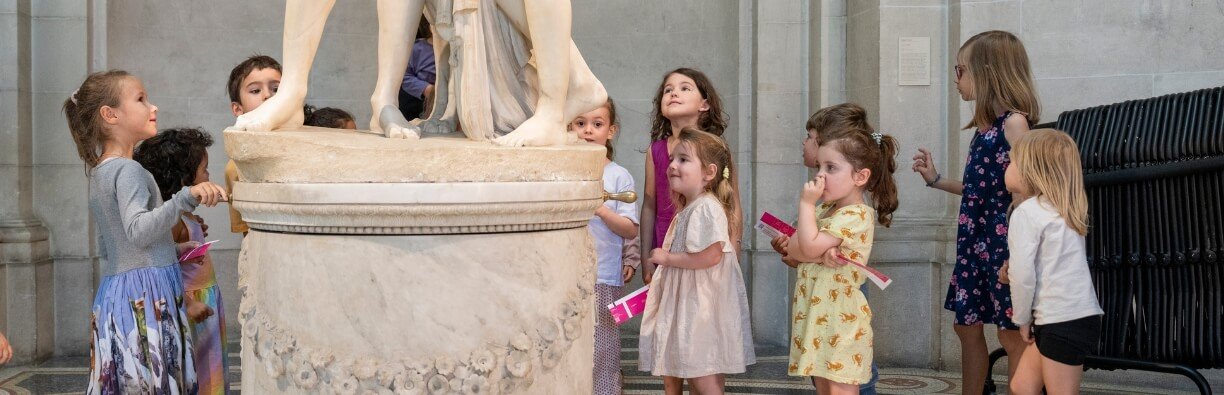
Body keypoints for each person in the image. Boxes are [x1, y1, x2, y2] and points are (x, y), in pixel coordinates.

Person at [64, 70, 226, 393]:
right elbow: (137, 231)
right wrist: (185, 197)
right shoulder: (129, 170)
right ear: (110, 115)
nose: (153, 107)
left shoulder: (100, 172)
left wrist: (173, 250)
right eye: (141, 99)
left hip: (119, 293)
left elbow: (114, 245)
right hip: (146, 297)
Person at [911, 30, 1040, 393]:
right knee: (965, 325)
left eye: (960, 70)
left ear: (987, 71)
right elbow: (979, 189)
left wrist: (1019, 253)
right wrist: (936, 180)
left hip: (1002, 244)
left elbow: (1028, 186)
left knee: (1011, 333)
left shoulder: (1015, 123)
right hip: (975, 242)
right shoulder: (984, 130)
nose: (956, 79)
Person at [639, 127, 754, 395]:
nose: (672, 166)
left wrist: (666, 257)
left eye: (683, 160)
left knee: (704, 376)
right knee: (693, 370)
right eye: (672, 159)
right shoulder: (691, 207)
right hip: (691, 304)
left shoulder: (706, 207)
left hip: (702, 309)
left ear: (709, 173)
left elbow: (711, 255)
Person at [1003, 129, 1103, 395]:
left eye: (1012, 162)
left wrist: (1022, 318)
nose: (1006, 167)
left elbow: (1023, 276)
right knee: (1022, 385)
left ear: (1030, 171)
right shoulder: (1062, 210)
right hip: (1071, 317)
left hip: (1060, 319)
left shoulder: (1026, 213)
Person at [134, 127, 230, 394]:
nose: (209, 175)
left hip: (204, 301)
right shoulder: (173, 221)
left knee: (209, 370)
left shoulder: (183, 218)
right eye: (205, 169)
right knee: (200, 374)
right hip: (191, 305)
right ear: (184, 179)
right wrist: (188, 303)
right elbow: (160, 266)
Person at [571, 99, 638, 395]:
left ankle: (605, 389)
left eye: (597, 124)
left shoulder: (618, 175)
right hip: (567, 274)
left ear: (611, 131)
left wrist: (601, 208)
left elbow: (630, 227)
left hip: (604, 273)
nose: (588, 131)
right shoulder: (564, 169)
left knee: (603, 342)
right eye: (580, 123)